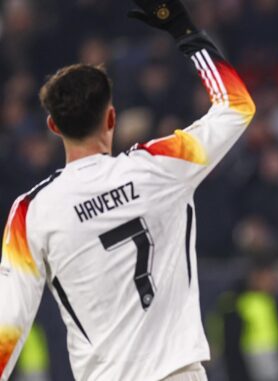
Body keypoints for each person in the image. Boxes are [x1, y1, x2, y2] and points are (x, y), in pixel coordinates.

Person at [0, 0, 255, 379]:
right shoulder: (160, 166)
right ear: (112, 118)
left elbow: (9, 324)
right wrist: (185, 33)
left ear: (53, 126)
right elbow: (237, 107)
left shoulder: (31, 212)